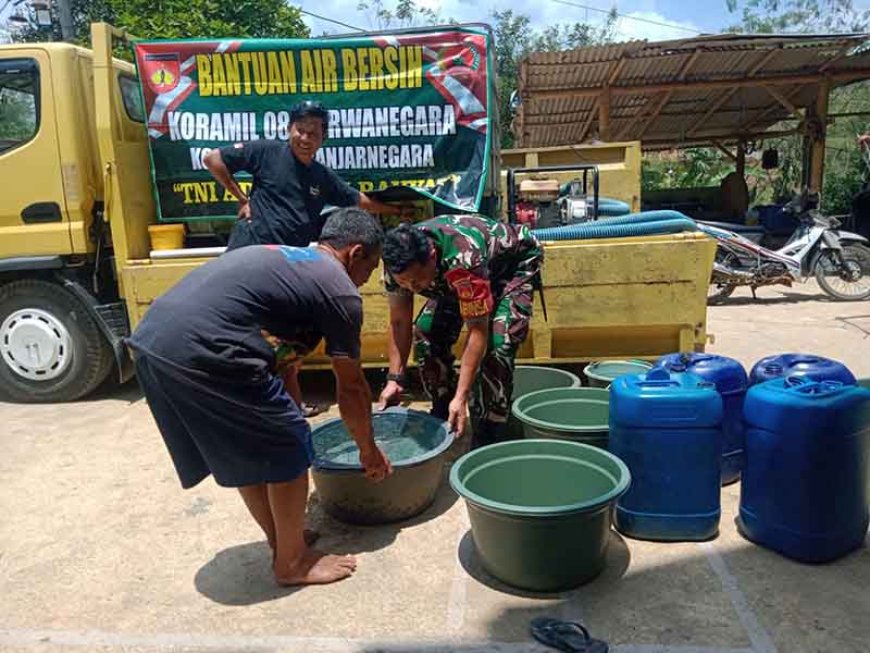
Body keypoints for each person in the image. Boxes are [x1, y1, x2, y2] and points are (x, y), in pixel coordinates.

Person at [127, 207, 392, 587]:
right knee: (291, 449)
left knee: (252, 449)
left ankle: (284, 542)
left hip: (154, 345)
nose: (368, 278)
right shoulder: (339, 289)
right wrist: (368, 449)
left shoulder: (291, 262)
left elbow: (285, 366)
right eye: (371, 266)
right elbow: (350, 387)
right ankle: (293, 563)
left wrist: (290, 415)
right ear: (355, 253)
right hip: (205, 350)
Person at [377, 215, 543, 448]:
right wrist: (394, 379)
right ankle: (444, 410)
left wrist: (462, 395)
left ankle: (489, 431)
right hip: (452, 277)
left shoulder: (464, 257)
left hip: (509, 268)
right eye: (404, 283)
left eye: (416, 281)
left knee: (498, 346)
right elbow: (399, 323)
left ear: (432, 257)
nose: (411, 289)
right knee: (425, 334)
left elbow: (478, 331)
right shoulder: (397, 262)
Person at [204, 99, 401, 250]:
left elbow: (357, 199)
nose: (305, 138)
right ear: (289, 129)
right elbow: (213, 159)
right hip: (251, 250)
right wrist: (241, 199)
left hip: (290, 258)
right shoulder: (267, 151)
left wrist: (396, 211)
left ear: (324, 138)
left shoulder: (322, 175)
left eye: (313, 133)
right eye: (300, 130)